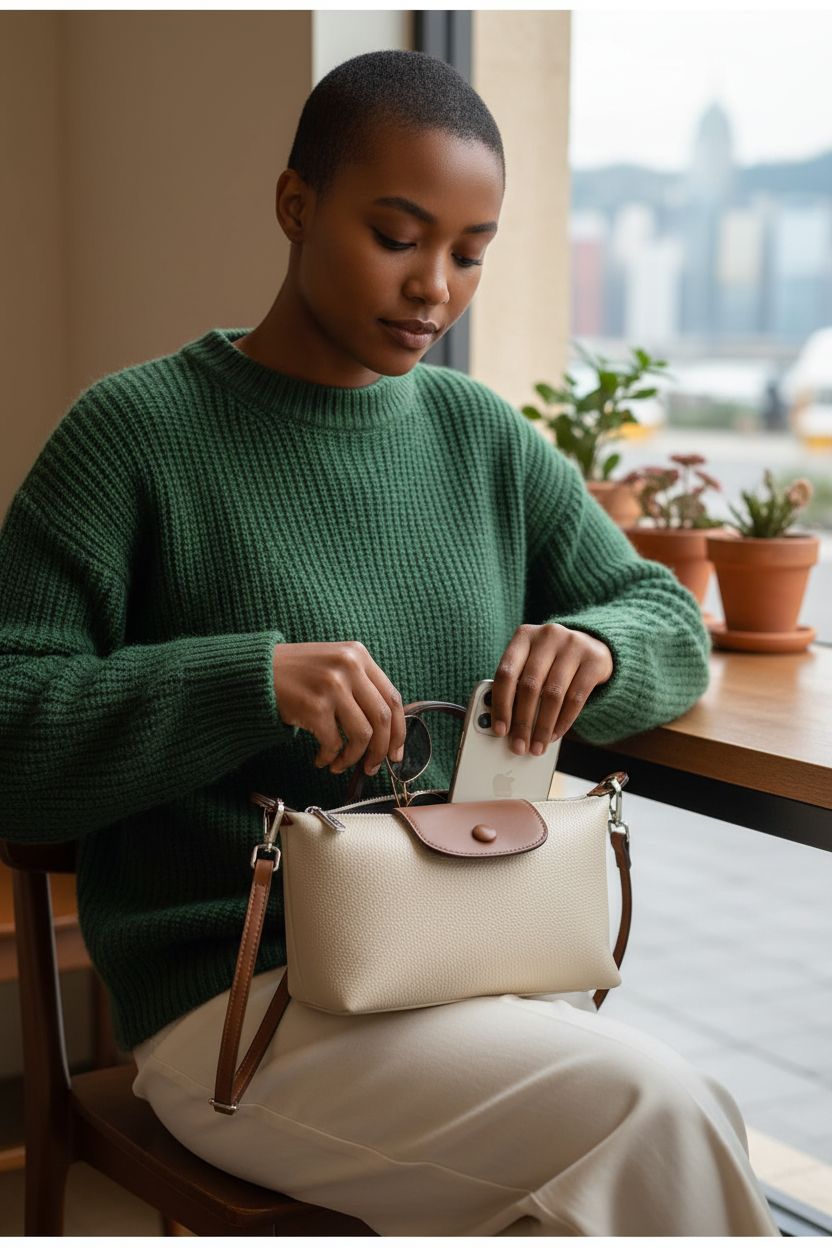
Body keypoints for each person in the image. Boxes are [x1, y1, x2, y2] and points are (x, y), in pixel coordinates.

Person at [0, 49, 778, 1236]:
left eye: (471, 253)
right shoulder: (134, 434)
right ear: (295, 206)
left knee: (654, 1130)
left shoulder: (478, 435)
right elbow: (13, 722)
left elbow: (664, 616)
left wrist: (599, 648)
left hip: (467, 973)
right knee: (654, 1117)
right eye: (399, 235)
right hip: (236, 1009)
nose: (436, 288)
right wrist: (244, 680)